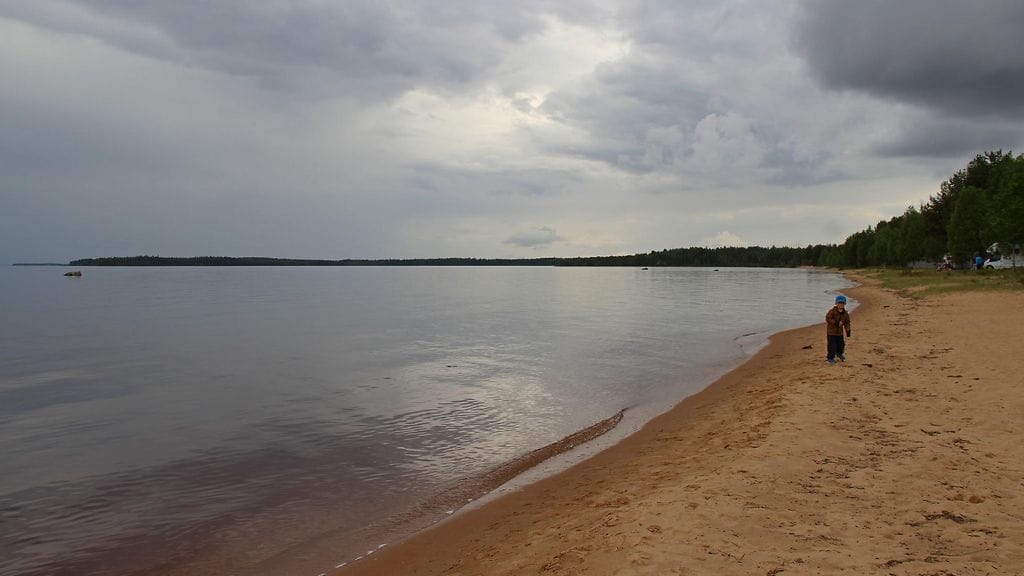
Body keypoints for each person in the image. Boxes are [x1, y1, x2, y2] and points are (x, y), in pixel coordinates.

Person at [826, 295, 851, 365]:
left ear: (845, 304)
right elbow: (828, 318)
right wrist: (836, 323)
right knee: (832, 346)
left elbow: (847, 322)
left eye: (842, 303)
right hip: (831, 333)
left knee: (841, 345)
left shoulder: (845, 313)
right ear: (836, 303)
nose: (841, 304)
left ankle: (839, 353)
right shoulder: (832, 311)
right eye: (839, 303)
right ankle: (830, 358)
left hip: (840, 333)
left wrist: (848, 330)